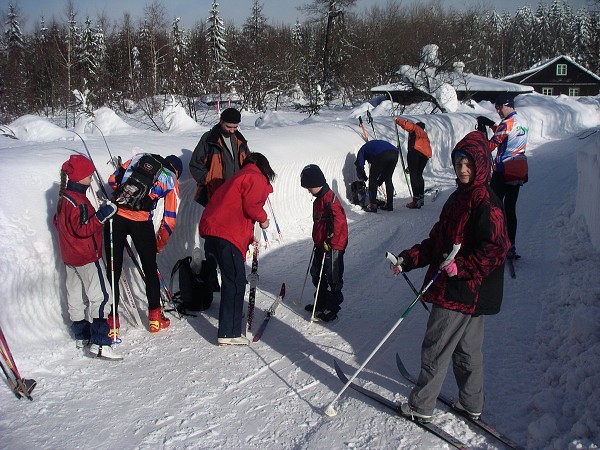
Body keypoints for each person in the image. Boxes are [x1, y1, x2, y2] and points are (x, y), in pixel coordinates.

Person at [390, 131, 510, 423]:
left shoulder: (486, 202)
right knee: (466, 351)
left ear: (481, 165)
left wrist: (463, 267)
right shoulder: (460, 197)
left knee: (436, 347)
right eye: (459, 164)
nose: (464, 170)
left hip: (462, 289)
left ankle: (421, 405)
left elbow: (497, 248)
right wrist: (408, 259)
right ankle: (472, 403)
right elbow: (438, 241)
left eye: (469, 164)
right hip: (469, 291)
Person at [199, 153, 275, 346]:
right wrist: (264, 220)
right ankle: (229, 332)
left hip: (213, 231)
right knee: (235, 281)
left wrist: (249, 237)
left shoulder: (237, 177)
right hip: (226, 233)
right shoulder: (254, 176)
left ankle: (231, 318)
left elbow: (235, 208)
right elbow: (252, 206)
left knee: (230, 278)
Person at [53, 154, 122, 360]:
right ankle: (101, 342)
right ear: (80, 177)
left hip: (70, 256)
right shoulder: (79, 202)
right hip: (86, 255)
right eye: (89, 176)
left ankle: (81, 334)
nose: (91, 179)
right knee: (101, 296)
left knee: (75, 295)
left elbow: (61, 224)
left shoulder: (64, 198)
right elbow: (83, 228)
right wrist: (103, 214)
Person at [105, 153, 183, 336]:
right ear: (176, 171)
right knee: (150, 269)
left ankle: (112, 323)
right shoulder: (170, 179)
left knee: (113, 269)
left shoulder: (139, 158)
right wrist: (159, 243)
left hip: (116, 217)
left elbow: (111, 180)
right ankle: (155, 319)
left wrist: (125, 198)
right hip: (141, 223)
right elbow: (170, 219)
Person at [478, 92, 529, 260]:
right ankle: (511, 245)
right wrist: (493, 125)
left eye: (500, 107)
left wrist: (481, 134)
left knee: (492, 207)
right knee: (510, 209)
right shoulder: (522, 122)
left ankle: (492, 243)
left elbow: (491, 145)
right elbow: (507, 135)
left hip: (503, 171)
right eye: (496, 108)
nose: (498, 111)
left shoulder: (506, 123)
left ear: (508, 105)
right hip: (518, 171)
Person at [300, 164, 349, 322]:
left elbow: (340, 223)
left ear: (316, 183)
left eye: (308, 187)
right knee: (317, 274)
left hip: (333, 246)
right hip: (321, 244)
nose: (308, 190)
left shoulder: (330, 199)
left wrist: (331, 240)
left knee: (333, 277)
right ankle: (320, 303)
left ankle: (332, 307)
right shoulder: (319, 199)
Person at [189, 108, 250, 206]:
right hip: (216, 192)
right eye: (228, 127)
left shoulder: (239, 139)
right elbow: (195, 164)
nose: (232, 130)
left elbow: (248, 161)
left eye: (235, 127)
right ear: (221, 121)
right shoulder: (209, 139)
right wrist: (208, 179)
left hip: (238, 191)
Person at [394, 118, 432, 209]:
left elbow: (407, 125)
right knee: (419, 175)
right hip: (425, 155)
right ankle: (421, 198)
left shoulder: (416, 129)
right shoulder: (424, 135)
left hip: (415, 151)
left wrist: (397, 120)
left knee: (413, 176)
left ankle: (416, 200)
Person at [354, 139, 399, 212]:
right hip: (395, 153)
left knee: (372, 179)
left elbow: (359, 165)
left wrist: (362, 177)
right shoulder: (372, 148)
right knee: (388, 178)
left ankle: (373, 206)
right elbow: (383, 173)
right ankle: (389, 205)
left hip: (382, 154)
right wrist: (379, 182)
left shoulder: (362, 150)